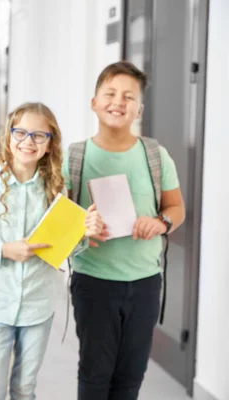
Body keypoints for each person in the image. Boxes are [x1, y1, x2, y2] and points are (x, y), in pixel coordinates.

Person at [0, 102, 105, 400]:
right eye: (21, 132)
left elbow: (64, 250)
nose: (29, 141)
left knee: (25, 389)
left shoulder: (57, 189)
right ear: (8, 135)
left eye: (39, 135)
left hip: (38, 308)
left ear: (50, 144)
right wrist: (3, 250)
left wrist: (85, 233)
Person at [63, 61, 186, 400]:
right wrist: (84, 228)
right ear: (94, 102)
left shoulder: (155, 155)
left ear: (138, 110)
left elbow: (177, 208)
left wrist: (161, 222)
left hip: (145, 283)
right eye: (110, 93)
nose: (119, 102)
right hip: (93, 282)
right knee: (94, 374)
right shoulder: (74, 156)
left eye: (128, 97)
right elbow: (57, 221)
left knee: (131, 377)